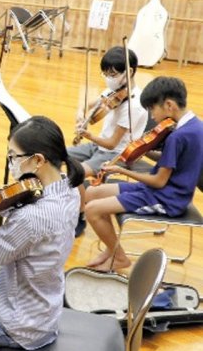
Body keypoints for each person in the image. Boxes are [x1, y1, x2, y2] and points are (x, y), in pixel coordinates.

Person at [0, 116, 83, 351]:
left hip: (18, 324)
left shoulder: (31, 218)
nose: (11, 163)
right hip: (42, 308)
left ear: (38, 160)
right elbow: (20, 204)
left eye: (13, 156)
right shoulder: (68, 189)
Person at [84, 76, 203, 271]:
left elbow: (158, 181)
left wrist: (121, 170)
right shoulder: (196, 126)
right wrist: (144, 149)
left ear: (169, 105)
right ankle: (112, 248)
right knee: (92, 193)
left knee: (92, 209)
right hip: (165, 189)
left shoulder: (178, 136)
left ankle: (120, 257)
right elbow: (173, 162)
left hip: (167, 199)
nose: (153, 117)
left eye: (152, 110)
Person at [68, 46, 148, 237]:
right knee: (58, 154)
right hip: (97, 146)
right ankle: (71, 198)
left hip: (116, 154)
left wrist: (88, 135)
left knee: (76, 172)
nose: (108, 78)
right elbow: (87, 104)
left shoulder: (135, 106)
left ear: (128, 73)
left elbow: (112, 144)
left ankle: (79, 215)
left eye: (112, 74)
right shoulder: (114, 91)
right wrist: (80, 114)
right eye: (105, 73)